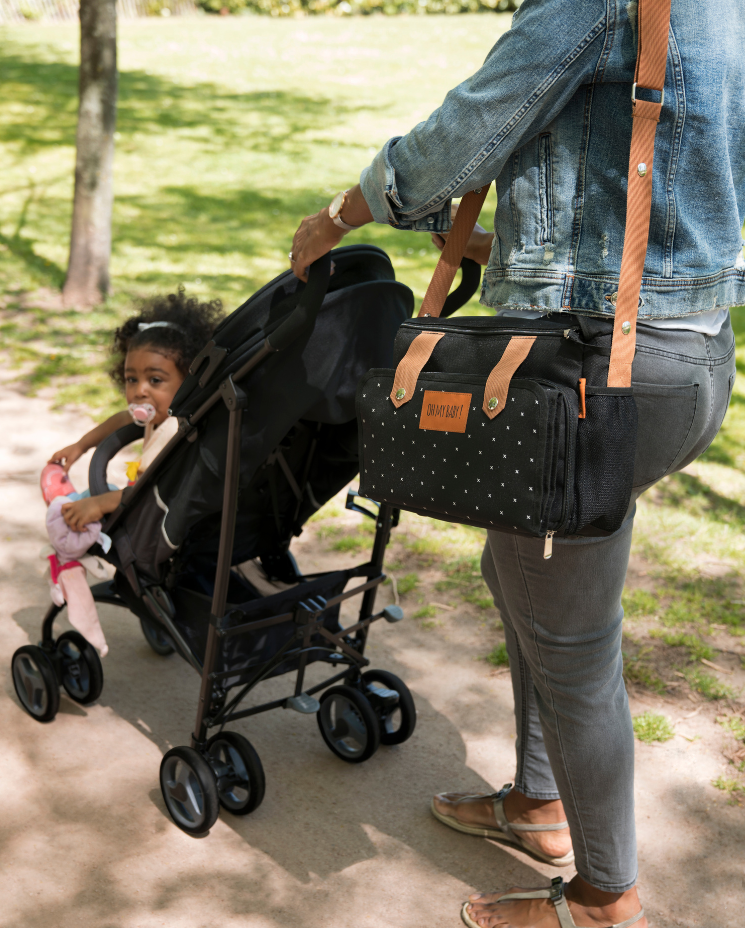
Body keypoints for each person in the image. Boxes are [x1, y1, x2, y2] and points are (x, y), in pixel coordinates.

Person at [289, 2, 743, 927]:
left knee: (572, 642)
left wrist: (339, 213)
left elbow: (473, 126)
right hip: (687, 352)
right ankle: (540, 804)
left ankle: (603, 899)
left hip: (593, 364)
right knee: (524, 576)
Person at [48, 289, 224, 532]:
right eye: (131, 379)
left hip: (154, 521)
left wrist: (98, 504)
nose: (140, 390)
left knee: (74, 516)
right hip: (149, 507)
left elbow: (145, 494)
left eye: (155, 380)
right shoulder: (164, 414)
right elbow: (123, 419)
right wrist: (82, 445)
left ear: (188, 380)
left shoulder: (174, 430)